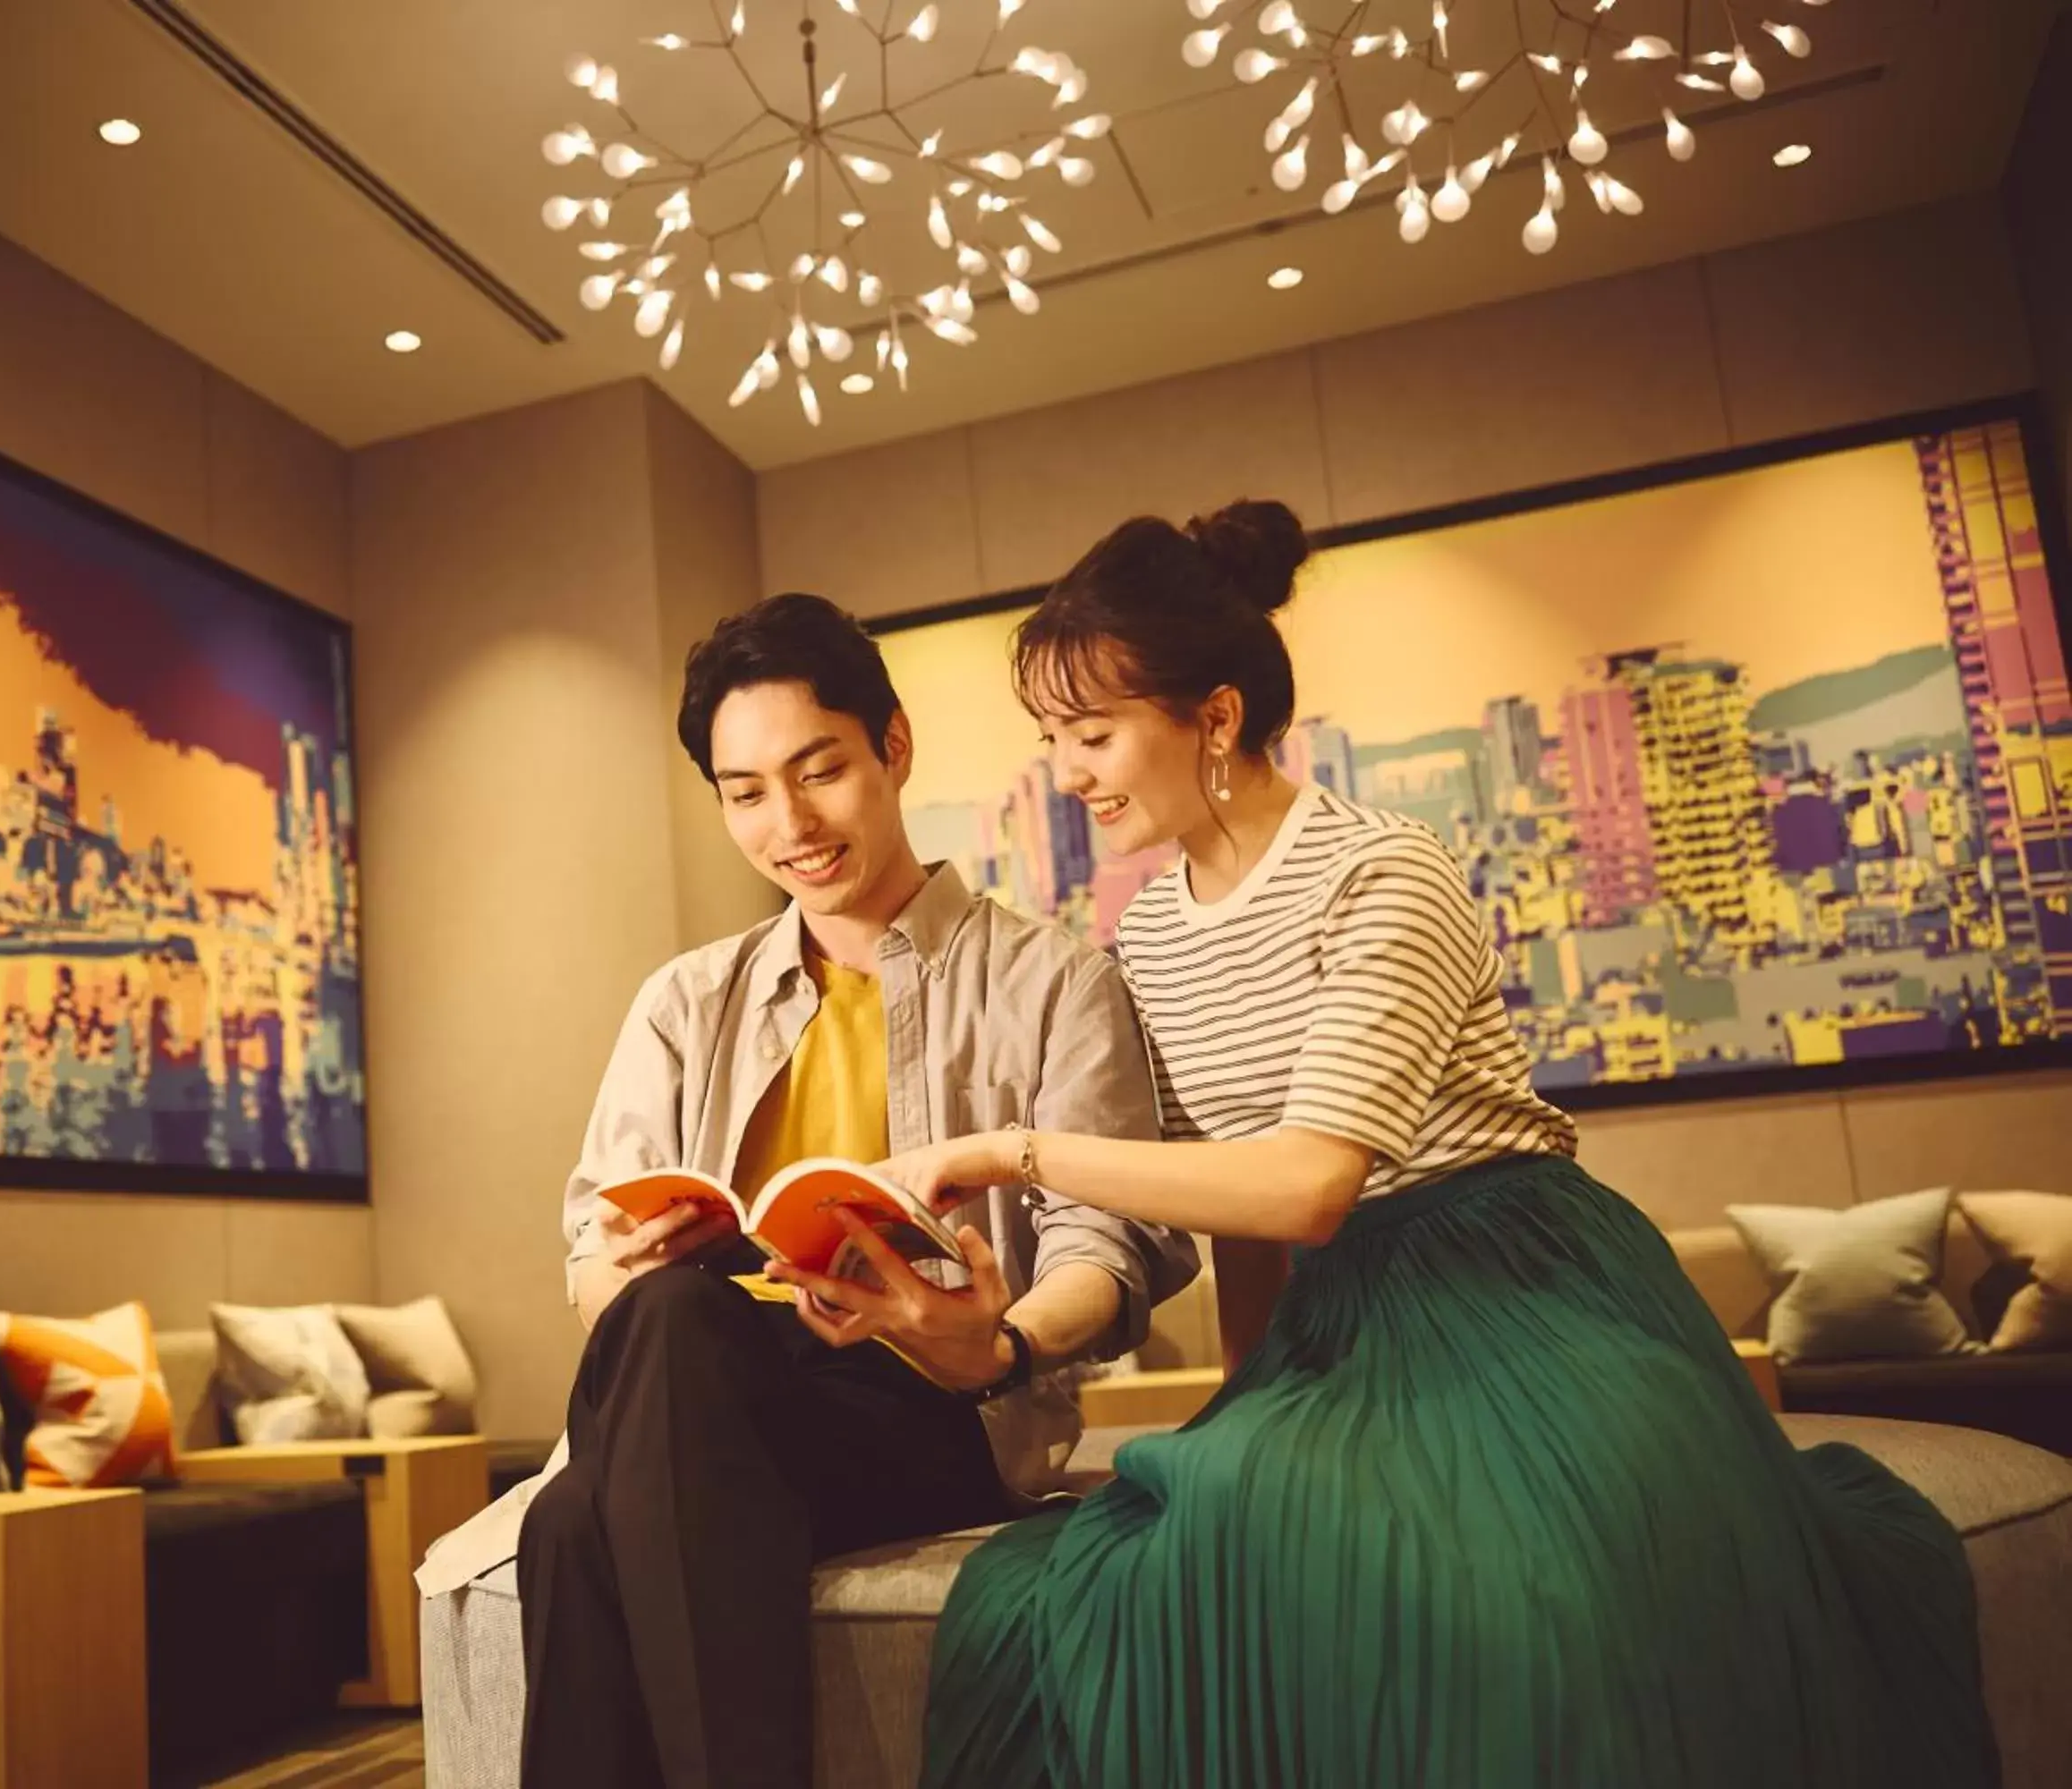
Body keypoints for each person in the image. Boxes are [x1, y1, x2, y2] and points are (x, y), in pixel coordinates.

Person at [778, 506, 1996, 1788]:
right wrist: (1243, 1410)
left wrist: (1020, 1150)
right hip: (1340, 1319)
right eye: (1052, 740)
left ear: (1215, 717)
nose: (1071, 771)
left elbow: (1309, 1184)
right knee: (1215, 1528)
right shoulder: (1153, 936)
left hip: (1521, 1286)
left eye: (1094, 734)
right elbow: (1243, 1223)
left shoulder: (1383, 871)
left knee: (1551, 1572)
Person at [516, 591, 1197, 1789]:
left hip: (940, 1414)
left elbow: (1110, 1248)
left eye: (818, 770)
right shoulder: (685, 1003)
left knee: (580, 1513)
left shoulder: (1052, 980)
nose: (791, 824)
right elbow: (592, 1248)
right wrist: (618, 1270)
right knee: (643, 1364)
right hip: (717, 1399)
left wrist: (993, 1344)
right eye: (745, 793)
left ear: (891, 747)